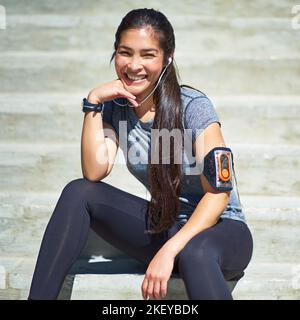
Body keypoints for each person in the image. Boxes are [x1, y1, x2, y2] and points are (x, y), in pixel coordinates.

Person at [28, 8, 253, 300]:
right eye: (125, 52)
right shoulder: (114, 107)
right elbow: (95, 172)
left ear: (167, 58)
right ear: (115, 54)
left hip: (221, 233)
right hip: (167, 225)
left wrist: (169, 251)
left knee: (194, 254)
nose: (134, 65)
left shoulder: (194, 107)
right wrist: (93, 102)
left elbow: (219, 193)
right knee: (79, 192)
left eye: (147, 55)